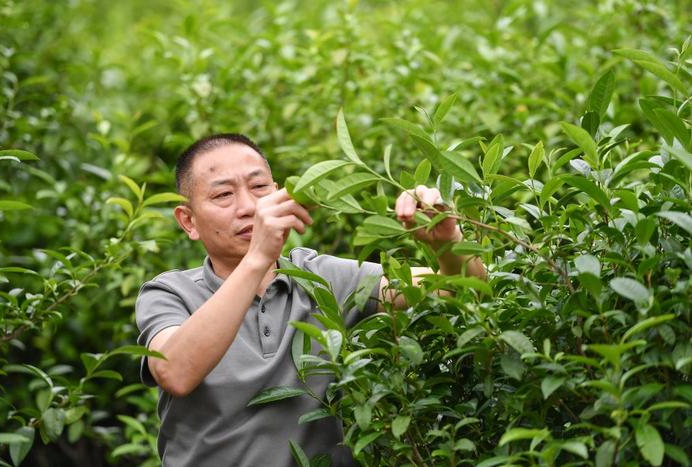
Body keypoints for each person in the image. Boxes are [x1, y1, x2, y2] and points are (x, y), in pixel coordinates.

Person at [135, 133, 486, 467]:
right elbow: (176, 371)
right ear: (188, 221)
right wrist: (258, 259)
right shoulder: (169, 293)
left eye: (259, 188)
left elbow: (458, 291)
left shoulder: (322, 277)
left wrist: (447, 241)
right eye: (223, 195)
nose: (249, 207)